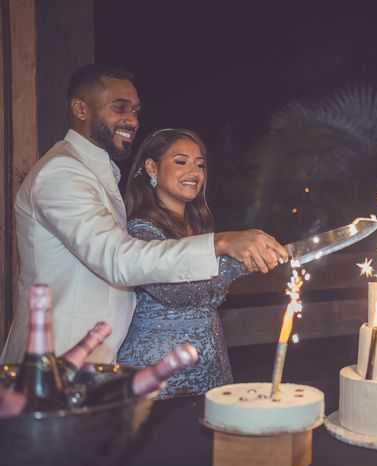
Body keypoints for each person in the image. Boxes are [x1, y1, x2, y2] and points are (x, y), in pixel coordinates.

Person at [0, 64, 288, 364]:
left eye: (135, 111)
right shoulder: (61, 172)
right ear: (80, 108)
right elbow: (118, 259)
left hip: (92, 362)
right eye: (119, 108)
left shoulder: (97, 172)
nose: (131, 120)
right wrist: (222, 243)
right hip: (54, 364)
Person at [117, 128, 245, 397]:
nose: (194, 172)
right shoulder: (141, 230)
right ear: (152, 167)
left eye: (200, 164)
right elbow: (172, 290)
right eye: (181, 161)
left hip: (209, 368)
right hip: (161, 377)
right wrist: (241, 261)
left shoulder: (198, 228)